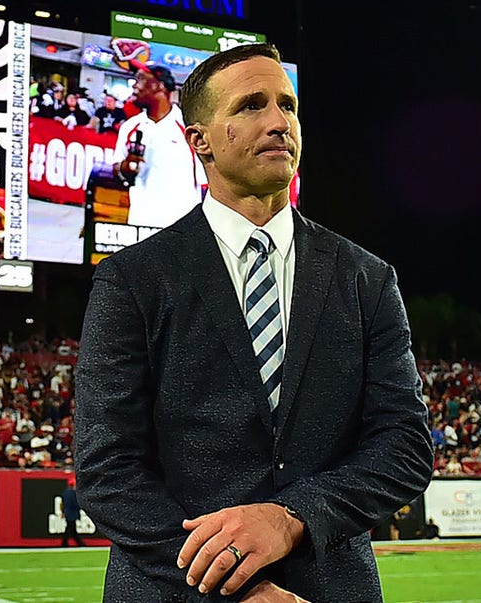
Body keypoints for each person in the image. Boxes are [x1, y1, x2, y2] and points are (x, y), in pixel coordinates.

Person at [74, 43, 433, 602]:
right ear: (199, 142)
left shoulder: (368, 277)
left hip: (330, 588)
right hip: (175, 590)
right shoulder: (133, 278)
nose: (278, 122)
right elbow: (108, 467)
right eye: (250, 106)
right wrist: (235, 586)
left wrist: (290, 518)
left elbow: (404, 445)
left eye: (287, 106)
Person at [111, 64, 207, 228]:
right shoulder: (130, 127)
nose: (134, 84)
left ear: (160, 85)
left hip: (182, 229)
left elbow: (206, 181)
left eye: (140, 79)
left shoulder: (190, 127)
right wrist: (125, 167)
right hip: (141, 224)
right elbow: (117, 169)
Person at [60, 477, 86, 547]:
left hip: (67, 513)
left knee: (71, 529)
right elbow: (75, 503)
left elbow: (62, 503)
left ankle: (76, 543)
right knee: (70, 529)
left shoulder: (65, 493)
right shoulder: (73, 493)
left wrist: (63, 512)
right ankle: (67, 543)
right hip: (72, 513)